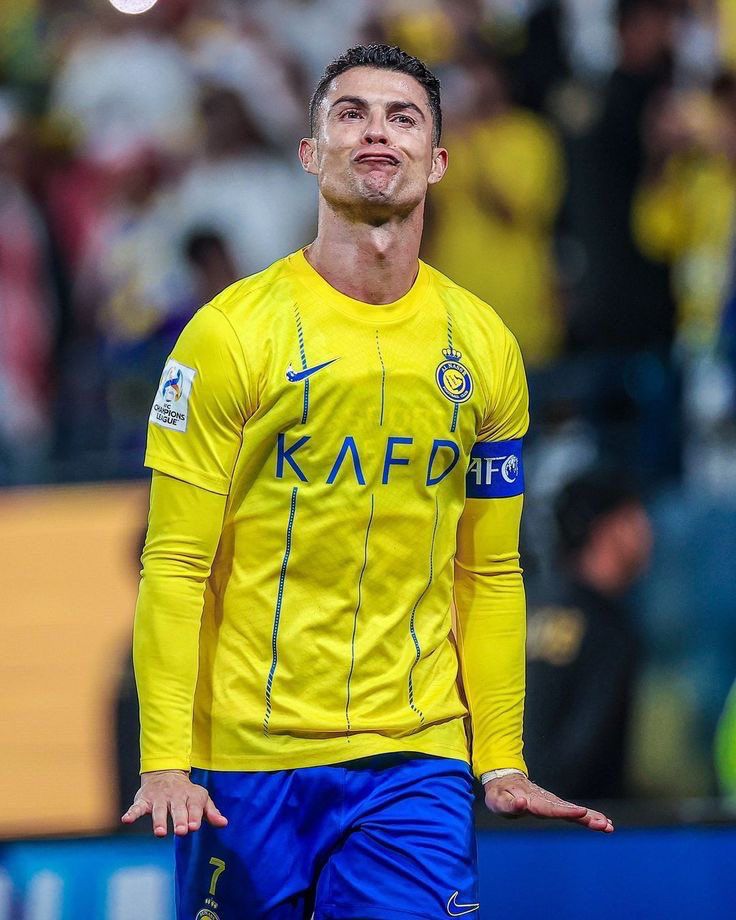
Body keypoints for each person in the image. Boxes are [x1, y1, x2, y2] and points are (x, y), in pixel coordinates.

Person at [122, 45, 612, 920]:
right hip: (245, 762)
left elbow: (491, 574)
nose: (377, 131)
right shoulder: (228, 338)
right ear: (311, 153)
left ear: (438, 160)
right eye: (350, 114)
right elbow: (174, 565)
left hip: (415, 759)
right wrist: (165, 757)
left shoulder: (486, 348)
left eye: (403, 116)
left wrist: (498, 754)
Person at [524, 470, 653, 801]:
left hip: (497, 814)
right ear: (608, 530)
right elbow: (585, 751)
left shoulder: (528, 606)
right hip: (576, 827)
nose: (647, 531)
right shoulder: (607, 628)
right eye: (634, 517)